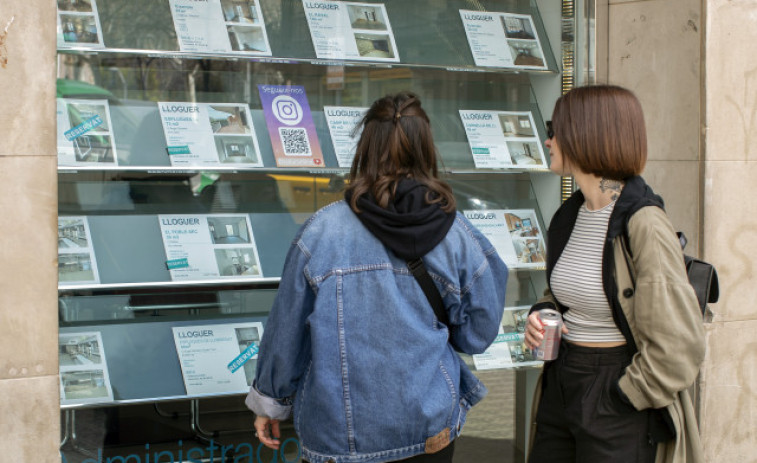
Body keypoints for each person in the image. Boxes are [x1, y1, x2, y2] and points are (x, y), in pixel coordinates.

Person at [245, 92, 509, 463]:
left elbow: (287, 331)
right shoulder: (457, 233)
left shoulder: (321, 233)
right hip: (429, 426)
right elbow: (478, 335)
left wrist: (270, 404)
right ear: (426, 148)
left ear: (365, 147)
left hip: (339, 437)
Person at [524, 84, 706, 463]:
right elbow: (567, 294)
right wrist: (542, 314)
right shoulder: (570, 215)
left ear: (585, 135)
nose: (548, 140)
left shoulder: (643, 223)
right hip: (562, 381)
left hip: (614, 389)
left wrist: (625, 395)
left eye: (555, 129)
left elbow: (680, 346)